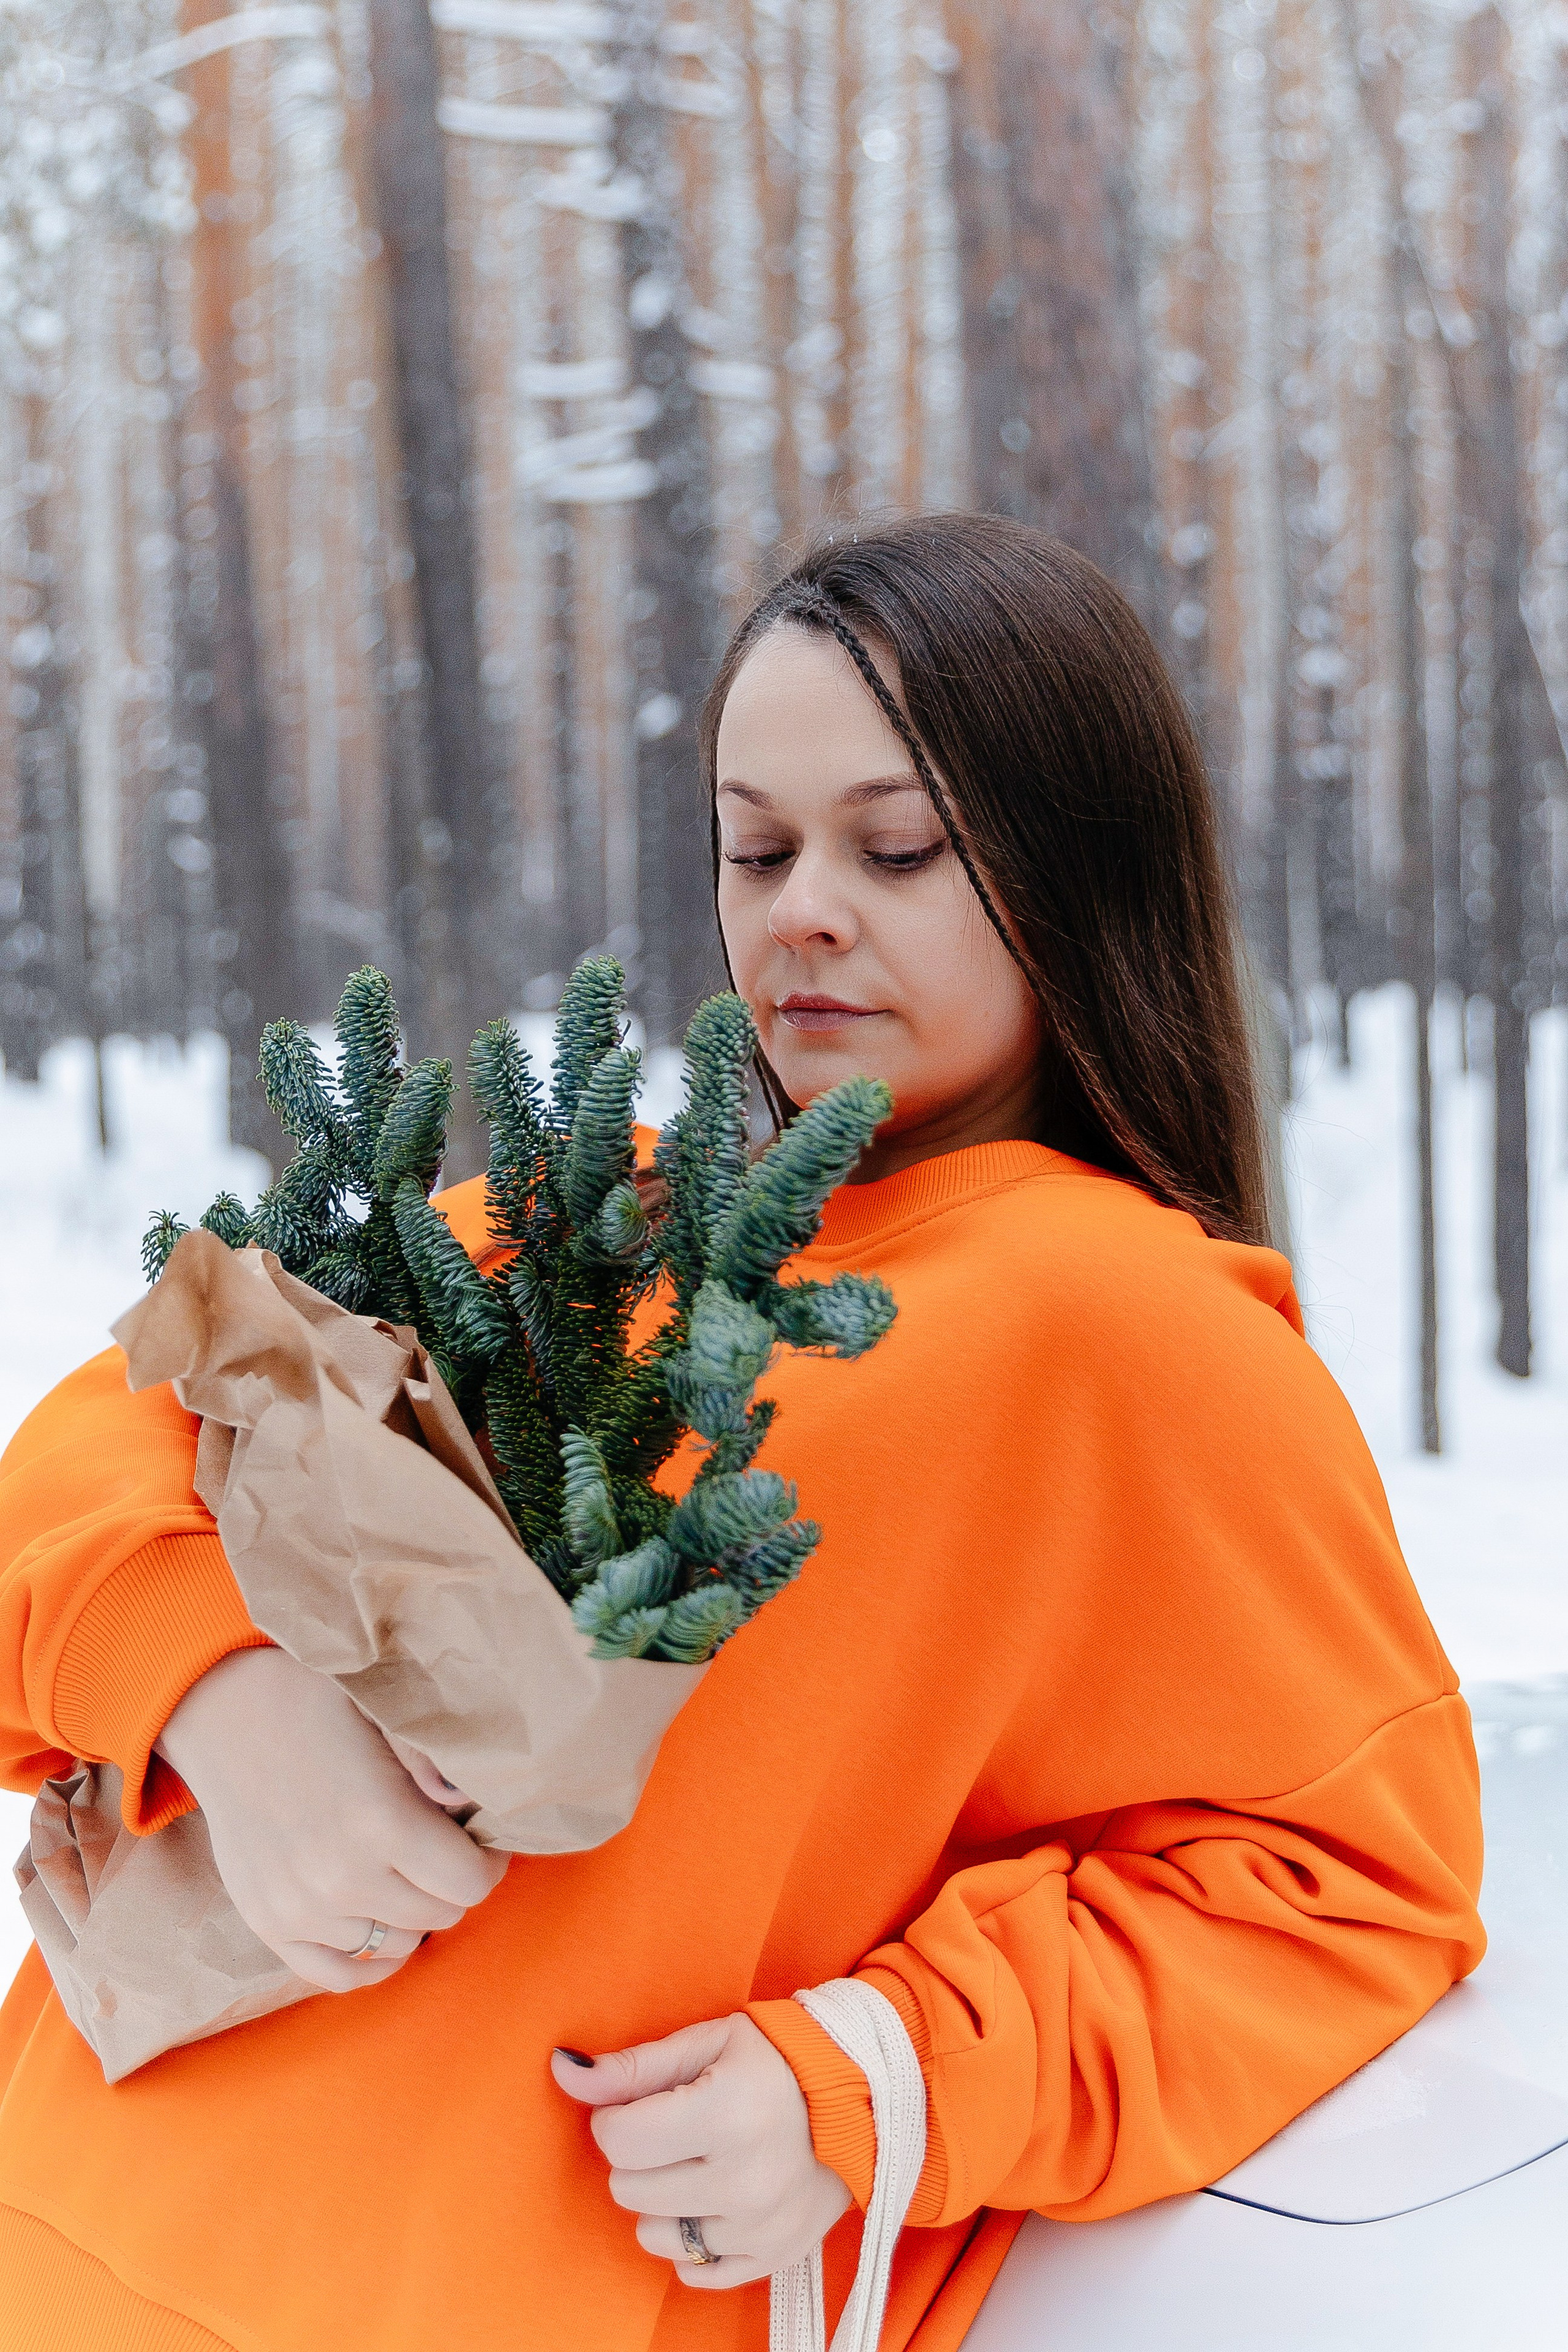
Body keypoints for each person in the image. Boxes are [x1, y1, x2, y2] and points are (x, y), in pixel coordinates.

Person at [0, 515, 1483, 2352]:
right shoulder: (588, 1212)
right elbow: (118, 1418)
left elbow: (1346, 1888)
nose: (803, 911)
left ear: (1080, 863)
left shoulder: (1139, 1329)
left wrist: (874, 2081)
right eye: (755, 844)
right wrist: (222, 1690)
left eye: (898, 845)